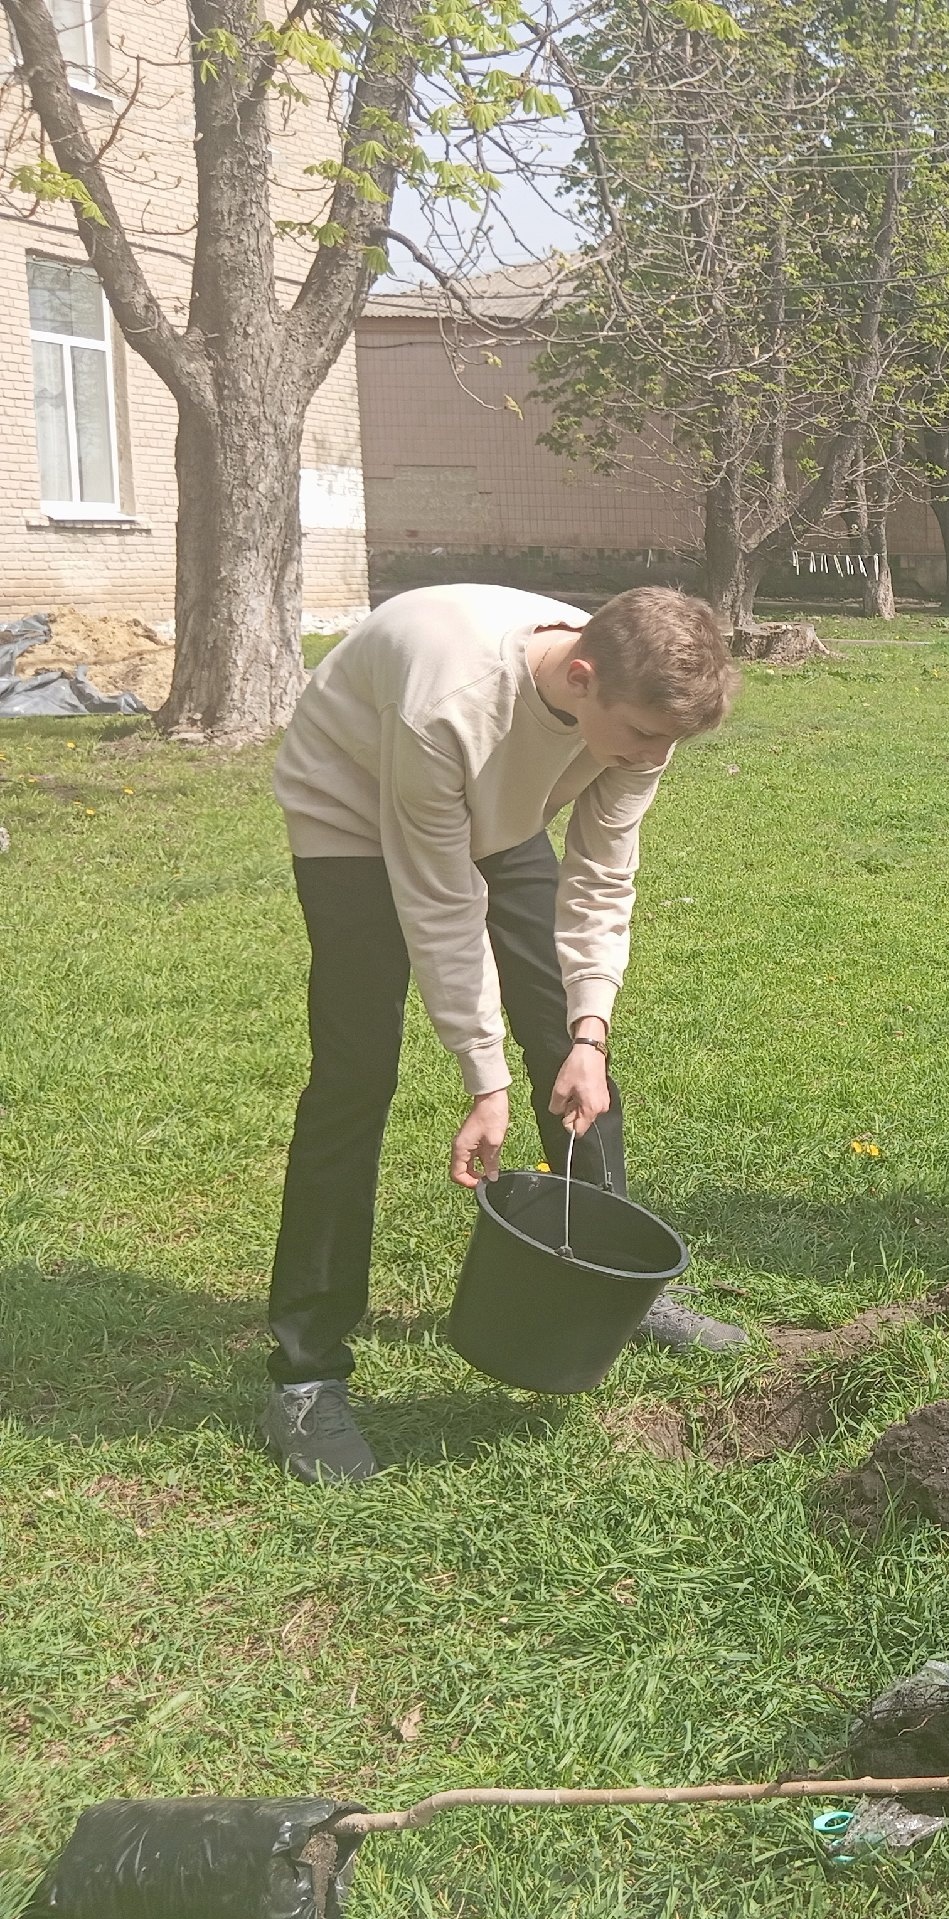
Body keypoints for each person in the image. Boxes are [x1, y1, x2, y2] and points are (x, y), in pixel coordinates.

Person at [261, 583, 749, 1483]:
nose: (653, 756)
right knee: (357, 1071)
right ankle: (306, 1373)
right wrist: (481, 1079)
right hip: (355, 800)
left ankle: (614, 1284)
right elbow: (440, 903)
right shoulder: (446, 703)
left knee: (567, 1035)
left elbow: (603, 880)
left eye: (666, 741)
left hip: (492, 803)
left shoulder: (639, 709)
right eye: (642, 735)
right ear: (582, 673)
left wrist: (590, 1033)